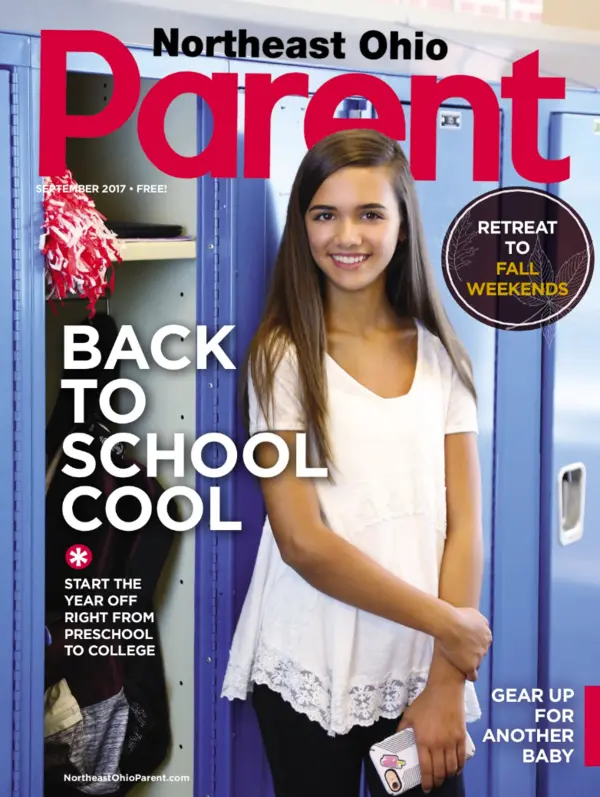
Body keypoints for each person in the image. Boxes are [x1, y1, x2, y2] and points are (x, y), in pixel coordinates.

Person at [221, 129, 492, 797]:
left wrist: (445, 679)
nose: (347, 234)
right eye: (324, 214)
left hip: (419, 671)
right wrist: (450, 626)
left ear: (402, 223)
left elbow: (465, 527)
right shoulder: (281, 358)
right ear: (303, 225)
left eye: (370, 213)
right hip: (311, 665)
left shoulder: (440, 354)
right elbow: (301, 540)